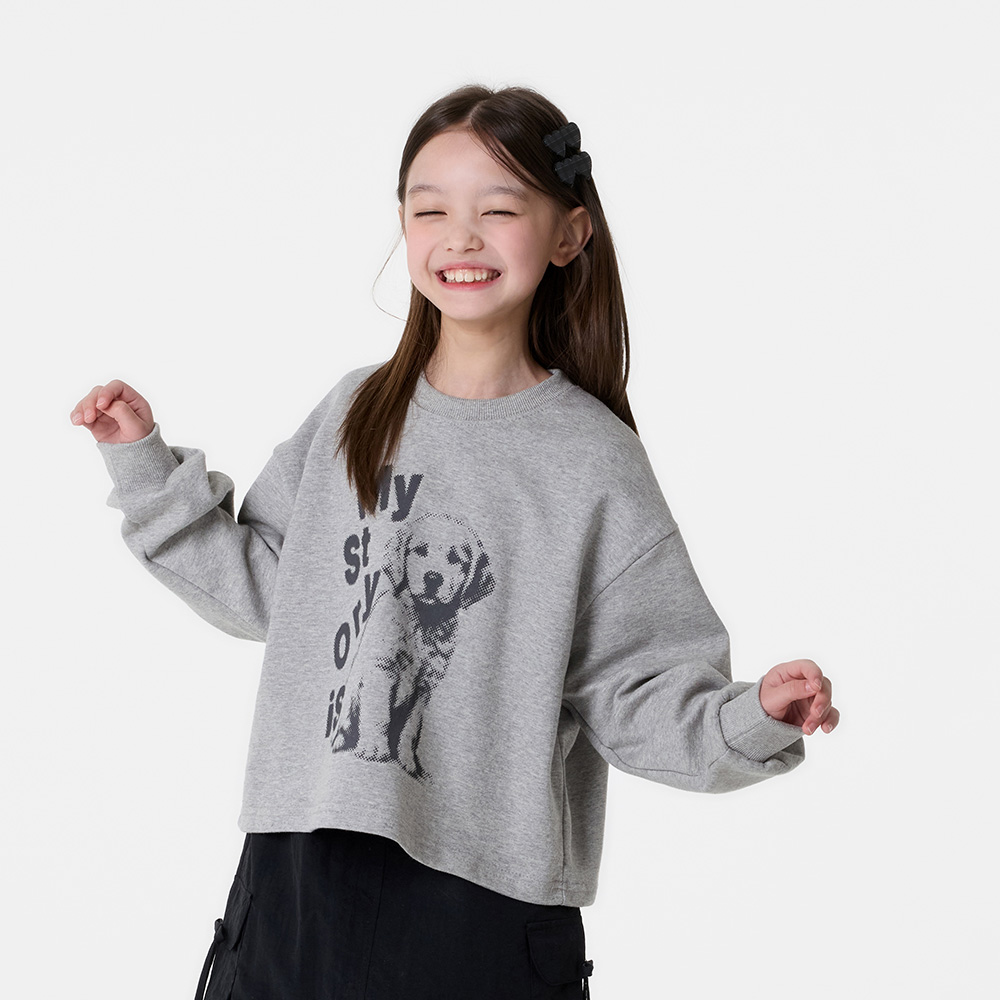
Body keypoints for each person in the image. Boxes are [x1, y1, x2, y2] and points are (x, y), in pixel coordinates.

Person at [70, 84, 839, 1000]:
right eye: (430, 209)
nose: (460, 237)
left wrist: (751, 718)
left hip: (477, 911)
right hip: (294, 874)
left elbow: (634, 690)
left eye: (499, 210)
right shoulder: (356, 411)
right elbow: (270, 589)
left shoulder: (592, 462)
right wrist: (144, 467)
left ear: (569, 235)